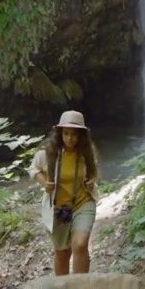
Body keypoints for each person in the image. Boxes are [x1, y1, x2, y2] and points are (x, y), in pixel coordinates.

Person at [31, 110, 99, 276]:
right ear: (60, 133)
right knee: (62, 252)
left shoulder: (86, 152)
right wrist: (44, 182)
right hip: (58, 208)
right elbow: (33, 169)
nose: (70, 138)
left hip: (83, 202)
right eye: (66, 133)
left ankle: (80, 286)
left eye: (74, 134)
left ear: (81, 135)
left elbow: (94, 171)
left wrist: (92, 181)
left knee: (80, 244)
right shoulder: (48, 153)